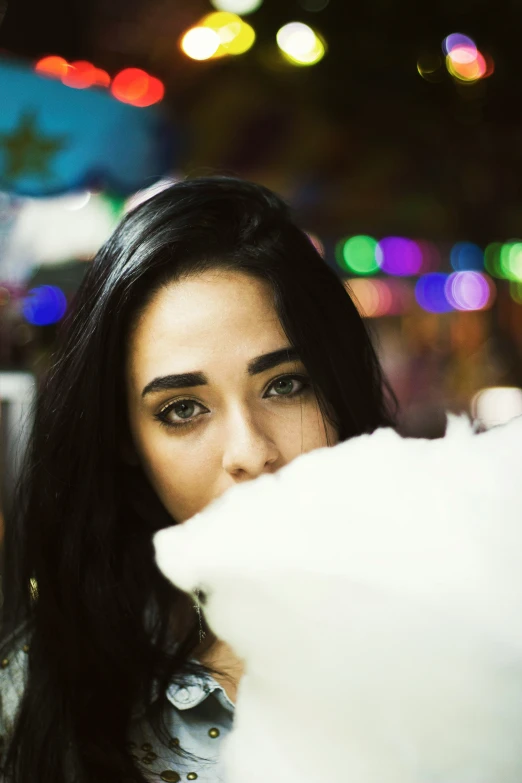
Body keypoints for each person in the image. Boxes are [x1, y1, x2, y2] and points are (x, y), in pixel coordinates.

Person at [0, 176, 398, 783]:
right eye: (182, 408)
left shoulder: (471, 630)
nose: (250, 452)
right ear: (126, 442)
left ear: (336, 387)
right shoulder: (36, 702)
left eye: (284, 385)